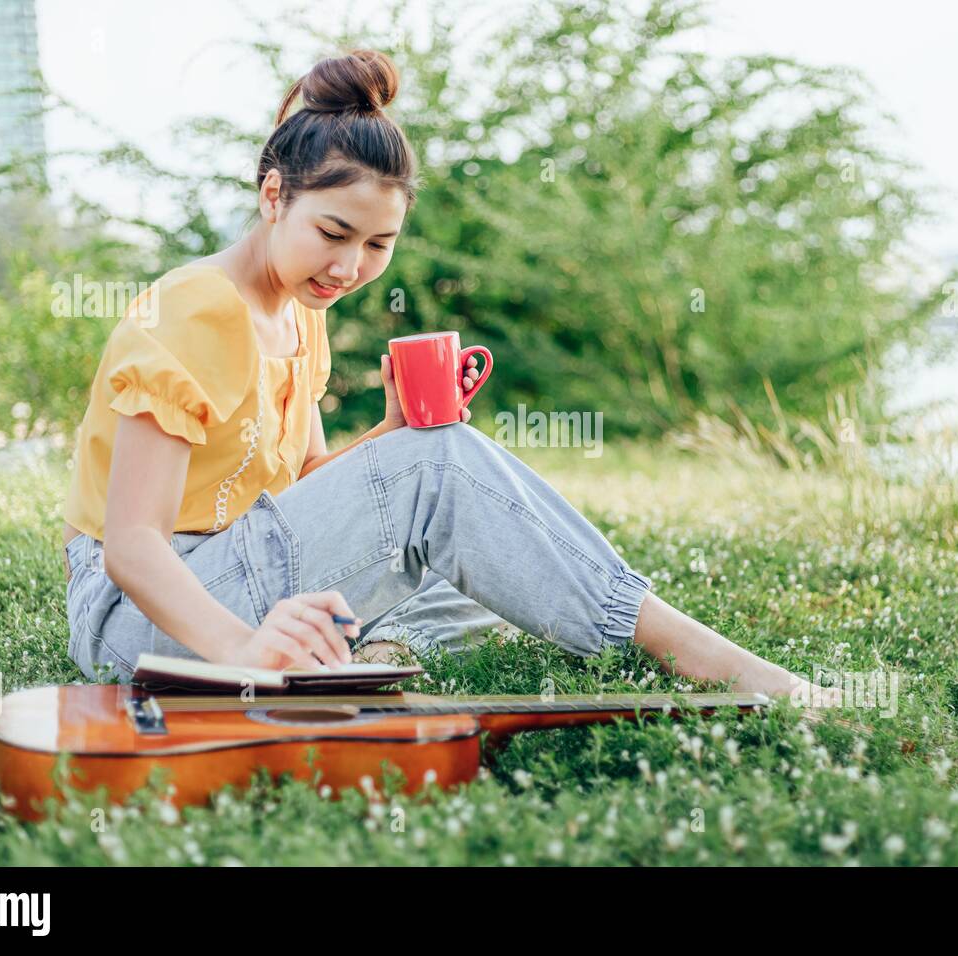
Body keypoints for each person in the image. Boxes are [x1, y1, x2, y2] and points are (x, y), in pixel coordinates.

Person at [61, 49, 839, 708]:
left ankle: (377, 645)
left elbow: (296, 485)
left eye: (377, 244)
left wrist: (389, 436)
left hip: (235, 565)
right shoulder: (196, 311)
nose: (349, 267)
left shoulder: (299, 312)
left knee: (488, 574)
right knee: (447, 477)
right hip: (137, 620)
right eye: (333, 233)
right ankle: (706, 660)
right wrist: (244, 649)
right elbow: (131, 545)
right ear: (274, 196)